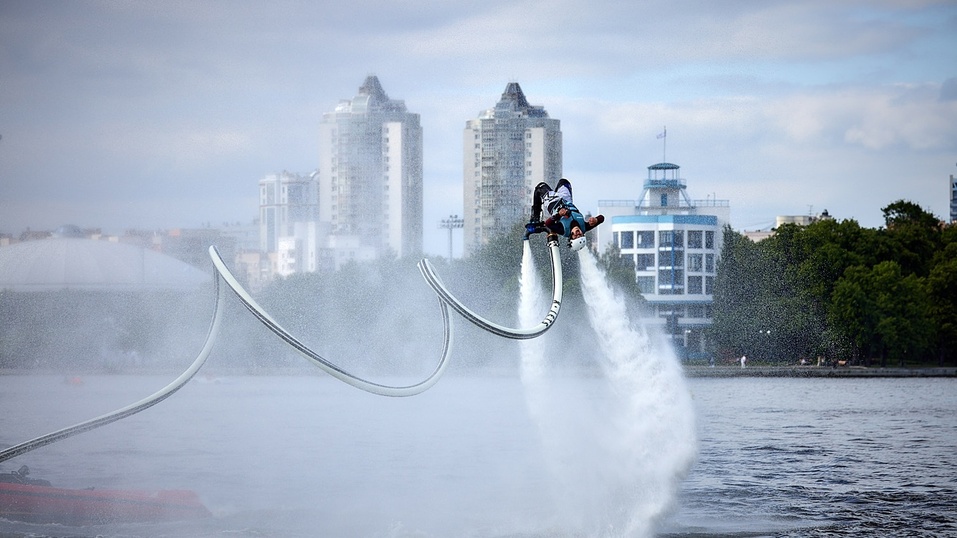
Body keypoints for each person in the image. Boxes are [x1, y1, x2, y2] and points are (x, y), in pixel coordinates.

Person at [525, 178, 604, 251]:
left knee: (540, 187)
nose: (578, 234)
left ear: (571, 237)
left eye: (575, 237)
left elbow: (548, 224)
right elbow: (602, 218)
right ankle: (555, 192)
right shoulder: (584, 227)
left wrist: (559, 215)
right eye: (580, 236)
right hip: (566, 199)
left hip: (553, 202)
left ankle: (535, 218)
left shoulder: (563, 230)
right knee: (564, 182)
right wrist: (596, 219)